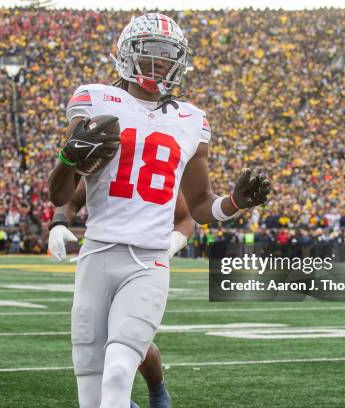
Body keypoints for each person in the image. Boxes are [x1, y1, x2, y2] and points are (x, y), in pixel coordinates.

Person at [48, 13, 271, 408]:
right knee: (90, 388)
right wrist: (67, 158)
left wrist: (235, 202)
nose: (159, 65)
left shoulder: (192, 121)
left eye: (167, 57)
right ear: (127, 56)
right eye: (149, 55)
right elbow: (60, 192)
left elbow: (200, 207)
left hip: (149, 261)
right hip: (96, 252)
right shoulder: (94, 98)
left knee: (119, 370)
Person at [48, 179, 194, 407]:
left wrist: (171, 244)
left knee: (131, 343)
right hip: (99, 261)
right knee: (97, 350)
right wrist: (58, 222)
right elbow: (71, 199)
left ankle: (157, 391)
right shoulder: (105, 155)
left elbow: (185, 219)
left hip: (144, 263)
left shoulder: (161, 161)